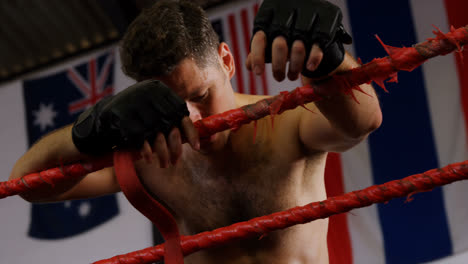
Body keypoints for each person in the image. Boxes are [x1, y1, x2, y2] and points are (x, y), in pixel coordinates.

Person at [10, 0, 382, 263]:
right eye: (170, 105)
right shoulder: (152, 155)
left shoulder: (283, 120)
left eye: (200, 96)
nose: (190, 120)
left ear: (226, 60)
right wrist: (84, 130)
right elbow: (28, 186)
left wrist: (330, 61)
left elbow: (361, 123)